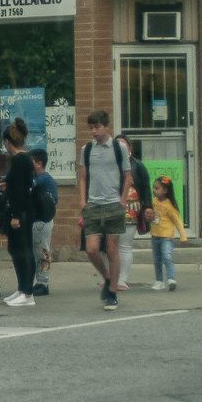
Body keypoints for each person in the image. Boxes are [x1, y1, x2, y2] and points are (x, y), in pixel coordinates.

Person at [77, 110, 132, 311]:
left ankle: (113, 292)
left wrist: (123, 199)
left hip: (113, 205)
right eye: (91, 128)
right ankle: (108, 277)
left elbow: (128, 175)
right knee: (91, 249)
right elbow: (82, 177)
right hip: (93, 204)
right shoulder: (87, 149)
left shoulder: (119, 148)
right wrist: (82, 200)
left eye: (97, 127)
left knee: (111, 249)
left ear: (107, 126)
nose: (94, 131)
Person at [0, 118, 37, 307]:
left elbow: (22, 190)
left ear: (7, 142)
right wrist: (8, 185)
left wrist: (15, 215)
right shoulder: (21, 160)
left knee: (24, 250)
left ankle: (28, 292)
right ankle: (22, 288)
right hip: (19, 210)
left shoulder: (21, 160)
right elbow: (18, 185)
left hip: (21, 213)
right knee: (15, 249)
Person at [115, 134, 153, 290]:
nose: (121, 149)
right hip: (110, 207)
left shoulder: (138, 165)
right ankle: (110, 277)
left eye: (124, 146)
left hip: (130, 210)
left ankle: (122, 279)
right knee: (107, 245)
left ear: (130, 148)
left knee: (124, 245)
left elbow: (145, 188)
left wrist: (148, 206)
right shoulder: (109, 164)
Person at [150, 175, 187, 291]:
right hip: (154, 236)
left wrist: (183, 236)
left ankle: (171, 279)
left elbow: (177, 221)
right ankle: (159, 280)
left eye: (157, 188)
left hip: (166, 237)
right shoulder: (153, 202)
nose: (154, 190)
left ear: (165, 190)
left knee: (167, 257)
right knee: (157, 260)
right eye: (154, 188)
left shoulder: (169, 206)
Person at [30, 148, 58, 296]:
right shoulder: (37, 178)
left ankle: (43, 282)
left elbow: (30, 185)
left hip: (43, 221)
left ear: (39, 163)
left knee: (42, 252)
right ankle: (37, 281)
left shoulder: (43, 179)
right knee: (36, 252)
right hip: (37, 221)